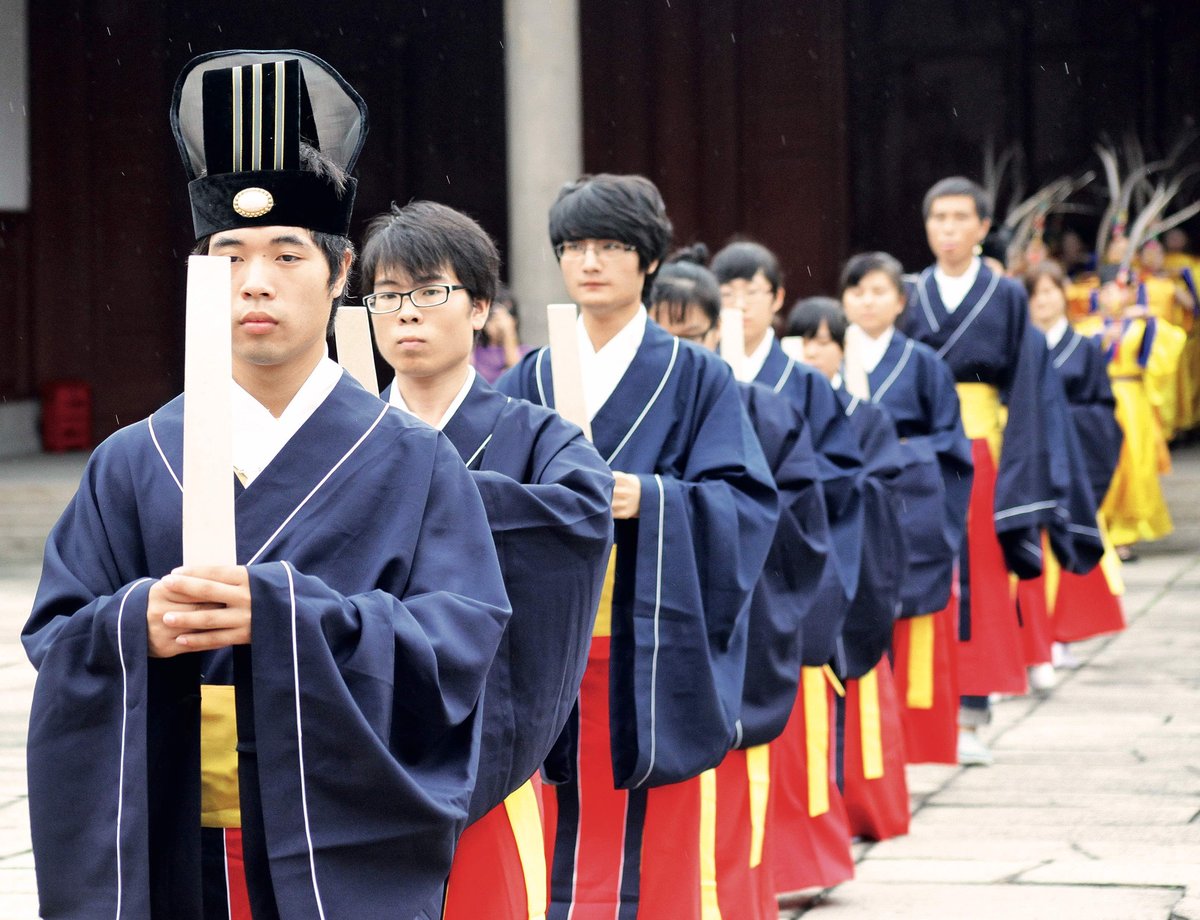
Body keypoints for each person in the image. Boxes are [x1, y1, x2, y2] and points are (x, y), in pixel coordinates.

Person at [22, 51, 513, 919]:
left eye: (288, 253)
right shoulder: (136, 457)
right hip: (176, 821)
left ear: (341, 271)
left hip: (338, 829)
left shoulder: (412, 460)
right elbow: (59, 634)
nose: (255, 280)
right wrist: (141, 620)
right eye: (230, 253)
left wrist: (289, 617)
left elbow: (460, 641)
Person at [497, 174, 778, 919]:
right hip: (547, 644)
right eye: (574, 246)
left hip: (650, 642)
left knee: (651, 837)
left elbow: (747, 503)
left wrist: (650, 498)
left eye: (611, 245)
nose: (589, 261)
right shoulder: (530, 374)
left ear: (648, 261)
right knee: (550, 819)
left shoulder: (698, 376)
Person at [359, 199, 615, 920]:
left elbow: (583, 511)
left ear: (478, 307)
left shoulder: (536, 433)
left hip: (490, 726)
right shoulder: (343, 438)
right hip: (361, 731)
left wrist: (425, 496)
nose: (406, 312)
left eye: (429, 290)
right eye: (386, 294)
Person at [649, 248, 831, 919]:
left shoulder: (762, 410)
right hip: (643, 626)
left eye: (690, 335)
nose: (675, 351)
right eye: (660, 334)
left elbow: (798, 522)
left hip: (736, 612)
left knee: (724, 794)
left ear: (714, 333)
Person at [900, 176, 1103, 766]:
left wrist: (1025, 469)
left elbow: (1032, 392)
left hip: (982, 449)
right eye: (939, 218)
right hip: (915, 454)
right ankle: (914, 715)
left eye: (962, 218)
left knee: (979, 583)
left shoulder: (1007, 296)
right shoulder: (907, 292)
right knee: (914, 575)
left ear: (984, 227)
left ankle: (970, 711)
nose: (949, 229)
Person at [839, 252, 973, 765]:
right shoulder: (827, 355)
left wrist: (897, 455)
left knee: (909, 619)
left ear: (900, 300)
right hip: (851, 497)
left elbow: (951, 444)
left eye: (878, 291)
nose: (867, 301)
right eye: (857, 291)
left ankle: (915, 742)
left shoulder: (924, 363)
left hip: (910, 498)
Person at [788, 296, 912, 844]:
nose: (814, 351)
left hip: (850, 560)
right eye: (804, 339)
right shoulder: (773, 409)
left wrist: (834, 496)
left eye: (825, 341)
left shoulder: (868, 417)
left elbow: (883, 491)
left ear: (843, 349)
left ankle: (860, 809)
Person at [1025, 261, 1125, 651]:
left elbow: (1102, 409)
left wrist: (1062, 420)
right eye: (1034, 295)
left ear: (1063, 293)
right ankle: (1036, 635)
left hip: (1074, 457)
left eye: (1049, 291)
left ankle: (1065, 633)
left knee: (1069, 536)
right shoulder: (1021, 349)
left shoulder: (1084, 348)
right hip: (1032, 457)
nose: (1042, 302)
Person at [472, 282, 532, 383]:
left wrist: (508, 333)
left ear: (514, 320)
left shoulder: (526, 353)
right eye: (492, 318)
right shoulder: (476, 351)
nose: (499, 323)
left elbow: (518, 378)